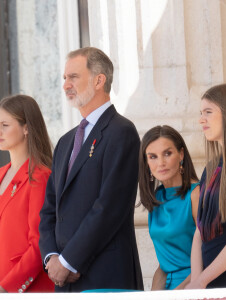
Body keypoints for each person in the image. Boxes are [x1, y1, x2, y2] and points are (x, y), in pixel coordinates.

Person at [38, 47, 143, 292]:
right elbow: (50, 209)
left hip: (106, 276)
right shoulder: (65, 142)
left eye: (73, 77)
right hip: (64, 281)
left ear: (99, 80)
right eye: (64, 78)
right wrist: (52, 257)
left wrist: (69, 260)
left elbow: (109, 207)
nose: (66, 85)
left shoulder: (122, 132)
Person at [0, 95, 54, 293]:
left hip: (24, 290)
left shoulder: (41, 177)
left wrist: (5, 289)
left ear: (26, 128)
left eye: (5, 125)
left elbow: (39, 243)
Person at [138, 125, 200, 290]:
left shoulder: (196, 195)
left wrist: (177, 294)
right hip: (168, 289)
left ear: (181, 155)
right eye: (153, 157)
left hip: (196, 286)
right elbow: (164, 266)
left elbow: (211, 255)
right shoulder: (157, 198)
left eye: (167, 153)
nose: (161, 163)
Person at [186, 83, 226, 289]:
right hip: (209, 285)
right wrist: (196, 281)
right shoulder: (211, 169)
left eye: (208, 112)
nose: (201, 119)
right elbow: (199, 232)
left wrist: (202, 280)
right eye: (201, 113)